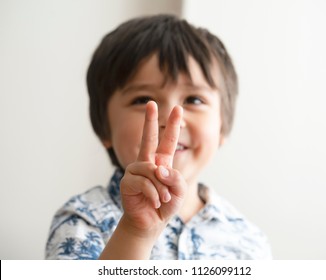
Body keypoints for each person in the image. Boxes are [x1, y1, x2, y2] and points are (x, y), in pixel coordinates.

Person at [45, 14, 272, 260]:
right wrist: (136, 232)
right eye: (143, 100)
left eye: (194, 100)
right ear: (104, 128)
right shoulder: (83, 220)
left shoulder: (248, 241)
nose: (171, 118)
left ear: (222, 127)